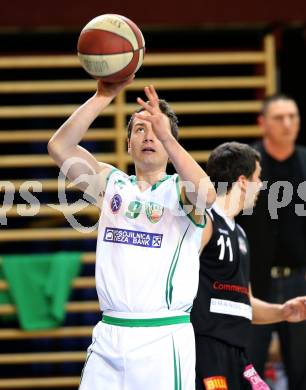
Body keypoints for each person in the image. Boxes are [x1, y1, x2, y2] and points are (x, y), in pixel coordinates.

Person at [48, 79, 216, 390]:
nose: (148, 135)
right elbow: (59, 147)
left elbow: (207, 196)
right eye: (140, 129)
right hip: (110, 334)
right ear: (128, 143)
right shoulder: (111, 184)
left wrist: (169, 137)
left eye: (155, 129)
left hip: (163, 339)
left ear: (167, 141)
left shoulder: (179, 190)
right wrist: (103, 95)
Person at [190, 142, 306, 390]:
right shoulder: (205, 223)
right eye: (258, 177)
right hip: (206, 349)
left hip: (237, 353)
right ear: (243, 181)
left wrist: (283, 311)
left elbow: (246, 304)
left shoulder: (240, 233)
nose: (261, 185)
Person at [237, 94, 306, 389]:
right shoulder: (244, 166)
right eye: (279, 117)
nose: (288, 124)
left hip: (300, 280)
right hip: (253, 283)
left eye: (293, 116)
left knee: (302, 370)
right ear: (262, 123)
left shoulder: (305, 161)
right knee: (248, 370)